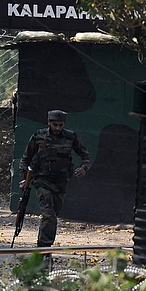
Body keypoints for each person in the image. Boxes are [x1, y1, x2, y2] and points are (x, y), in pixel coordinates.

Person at [18, 109, 91, 267]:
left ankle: (41, 247)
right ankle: (45, 250)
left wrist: (84, 168)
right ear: (48, 122)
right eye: (55, 124)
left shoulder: (70, 137)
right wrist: (24, 179)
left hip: (60, 183)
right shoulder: (39, 136)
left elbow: (85, 155)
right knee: (49, 215)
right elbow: (25, 159)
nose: (58, 128)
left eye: (61, 125)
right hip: (42, 181)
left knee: (51, 218)